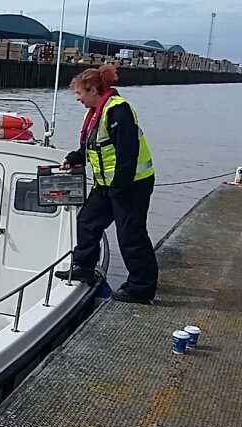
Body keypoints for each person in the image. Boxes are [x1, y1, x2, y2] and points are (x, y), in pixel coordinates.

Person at [54, 65, 158, 304]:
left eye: (79, 93)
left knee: (131, 235)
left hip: (131, 184)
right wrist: (73, 158)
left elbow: (127, 154)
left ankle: (141, 288)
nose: (77, 98)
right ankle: (84, 268)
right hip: (107, 184)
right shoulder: (95, 112)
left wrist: (118, 190)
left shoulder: (118, 111)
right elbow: (93, 147)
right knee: (87, 221)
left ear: (93, 90)